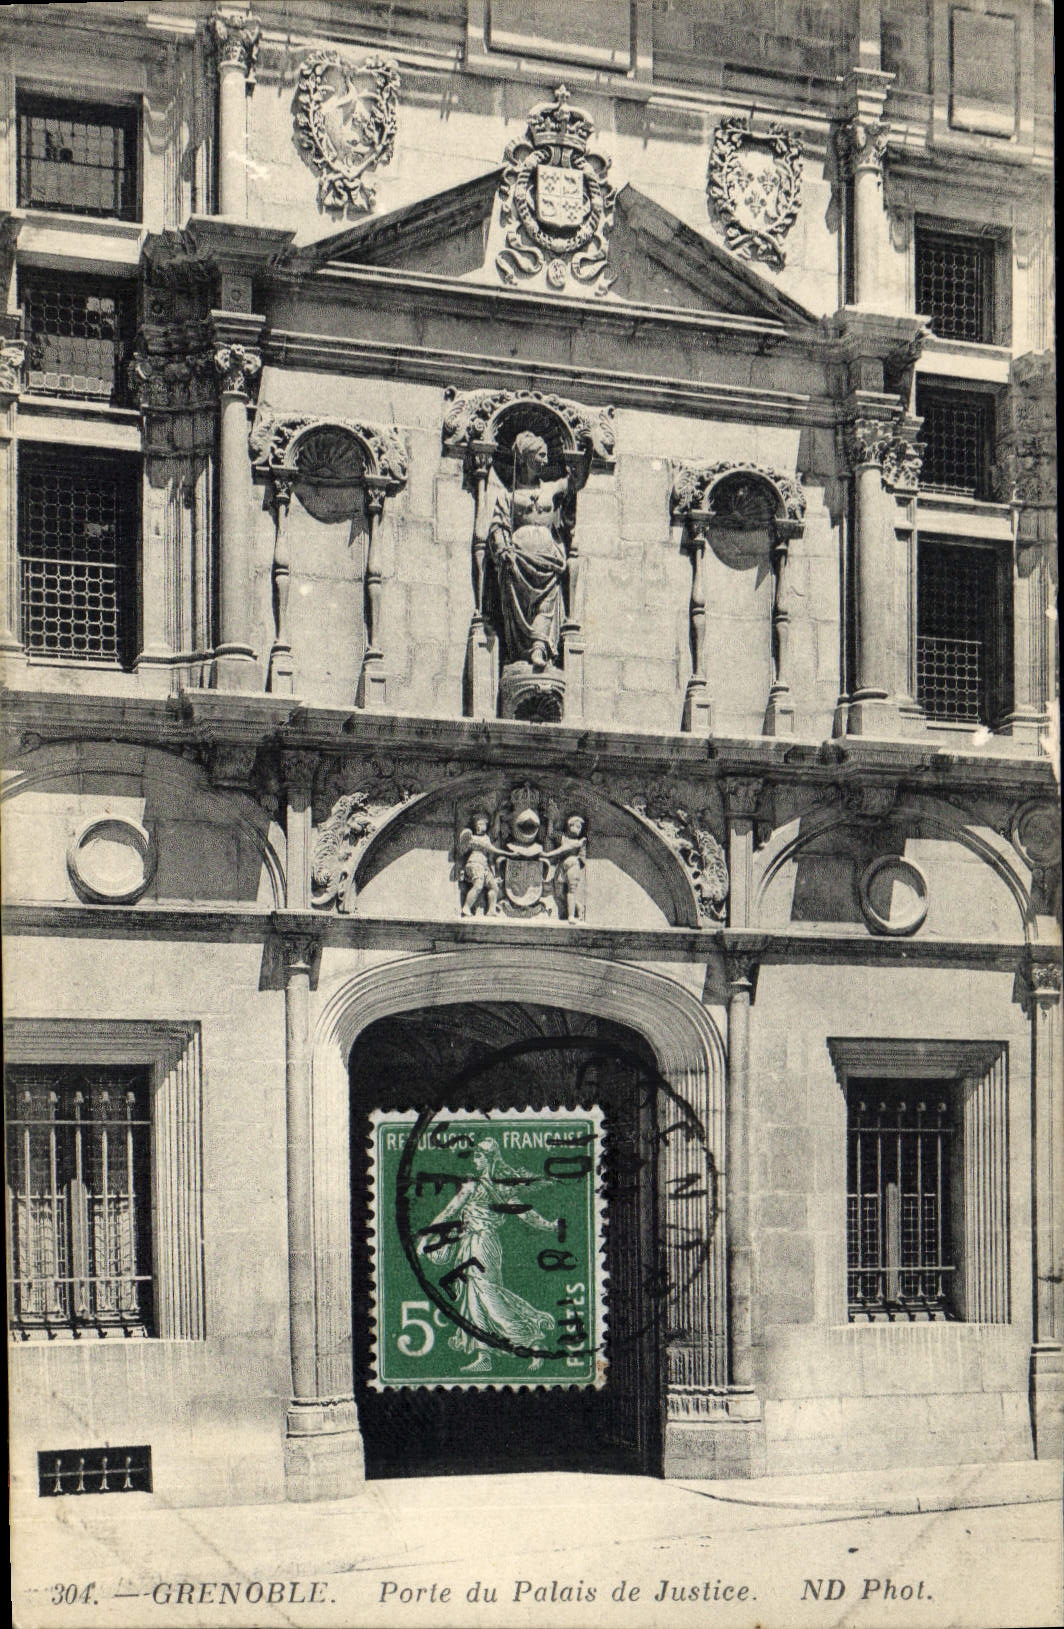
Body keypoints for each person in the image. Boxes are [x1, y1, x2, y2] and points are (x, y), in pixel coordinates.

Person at [419, 1137, 556, 1374]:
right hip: (470, 1243)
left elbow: (524, 1213)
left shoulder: (495, 1187)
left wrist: (548, 1225)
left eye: (480, 1156)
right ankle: (485, 1356)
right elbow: (450, 1211)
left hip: (484, 1244)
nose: (475, 1160)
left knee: (490, 1297)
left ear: (490, 1159)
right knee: (473, 1301)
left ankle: (531, 1342)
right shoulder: (479, 1186)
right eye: (475, 1156)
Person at [485, 432, 577, 672]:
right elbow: (498, 524)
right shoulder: (507, 495)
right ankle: (522, 649)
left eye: (547, 455)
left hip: (548, 557)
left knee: (547, 602)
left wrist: (586, 451)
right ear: (526, 458)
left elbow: (576, 481)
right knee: (519, 606)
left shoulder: (552, 488)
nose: (545, 461)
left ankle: (539, 646)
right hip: (518, 561)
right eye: (541, 455)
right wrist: (503, 548)